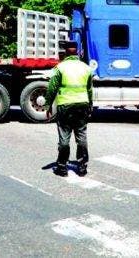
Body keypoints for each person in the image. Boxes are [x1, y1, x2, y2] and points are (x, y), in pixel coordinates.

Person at [45, 40, 93, 177]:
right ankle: (82, 166)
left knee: (64, 137)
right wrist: (90, 105)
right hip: (82, 105)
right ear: (77, 52)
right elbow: (89, 89)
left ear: (65, 52)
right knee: (81, 136)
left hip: (65, 106)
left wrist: (48, 105)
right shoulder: (86, 68)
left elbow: (52, 88)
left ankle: (62, 167)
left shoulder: (60, 68)